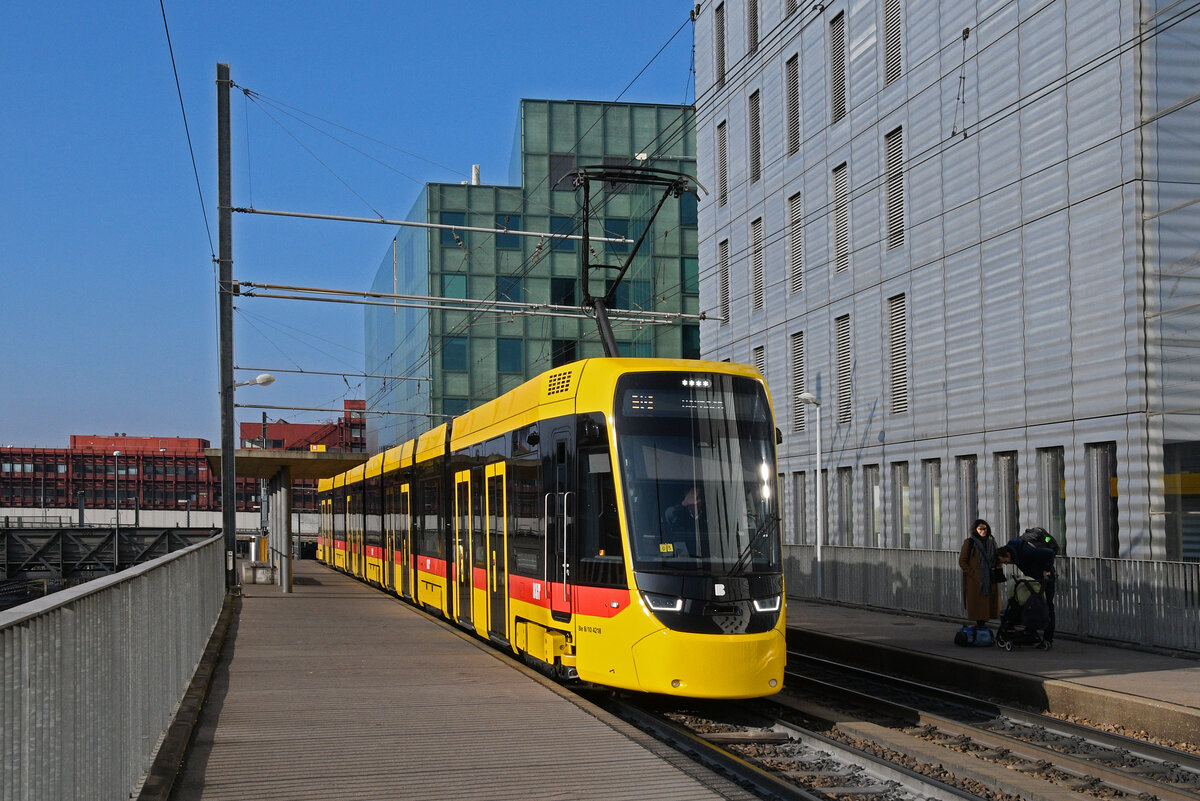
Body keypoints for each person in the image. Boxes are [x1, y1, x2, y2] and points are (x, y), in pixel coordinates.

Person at [997, 536, 1057, 649]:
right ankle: (1031, 633)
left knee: (1048, 605)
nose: (1006, 564)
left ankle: (1047, 639)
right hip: (1034, 580)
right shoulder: (1016, 553)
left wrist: (1047, 570)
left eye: (1005, 561)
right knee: (1031, 604)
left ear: (1008, 554)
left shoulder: (1024, 551)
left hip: (1045, 579)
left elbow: (1049, 553)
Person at [958, 518, 1000, 633]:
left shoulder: (992, 541)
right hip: (976, 581)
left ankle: (983, 628)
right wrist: (973, 573)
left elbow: (997, 557)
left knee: (988, 606)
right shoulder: (970, 542)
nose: (983, 531)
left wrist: (997, 569)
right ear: (975, 530)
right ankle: (980, 628)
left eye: (985, 529)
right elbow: (962, 561)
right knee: (979, 606)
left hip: (989, 578)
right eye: (980, 529)